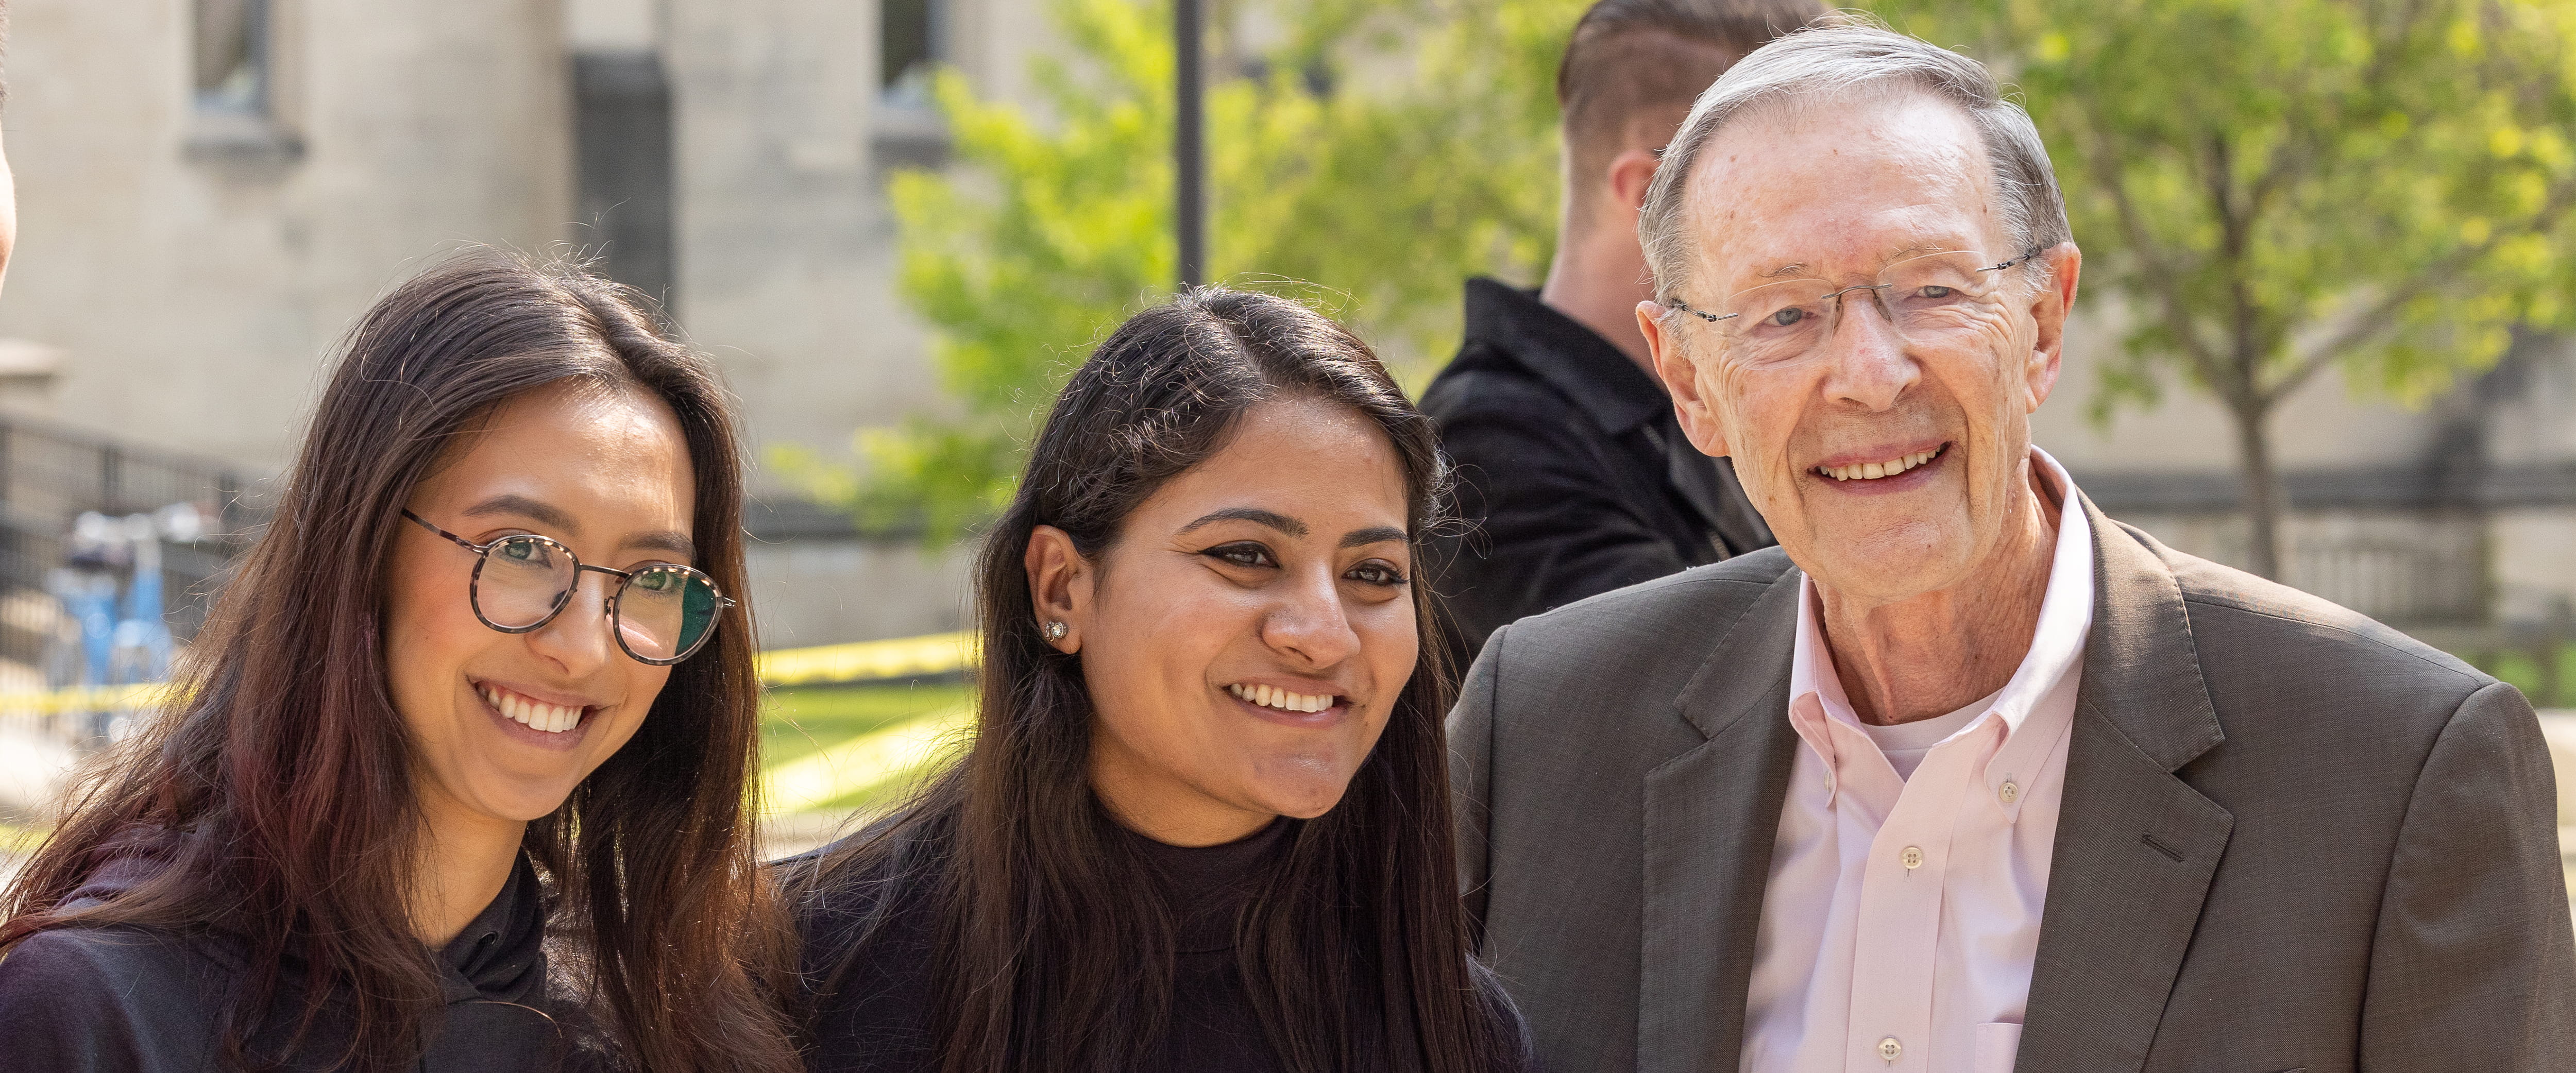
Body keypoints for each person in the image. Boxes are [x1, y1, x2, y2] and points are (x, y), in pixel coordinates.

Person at [1451, 22, 2576, 1073]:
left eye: (1929, 290)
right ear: (1690, 380)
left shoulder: (2396, 769)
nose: (1869, 374)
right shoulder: (1543, 728)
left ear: (2043, 323)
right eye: (1784, 314)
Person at [0, 254, 804, 1073]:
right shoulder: (98, 1013)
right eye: (521, 550)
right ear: (364, 548)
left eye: (654, 577)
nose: (583, 647)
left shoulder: (656, 1017)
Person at [783, 289, 1530, 1073]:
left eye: (1373, 572)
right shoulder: (792, 979)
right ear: (1060, 588)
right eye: (1244, 555)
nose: (1324, 633)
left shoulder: (1459, 1032)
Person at [1420, 0, 1820, 660]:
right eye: (1793, 194)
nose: (1828, 236)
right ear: (1650, 197)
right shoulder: (1488, 452)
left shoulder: (1688, 401)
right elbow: (1712, 686)